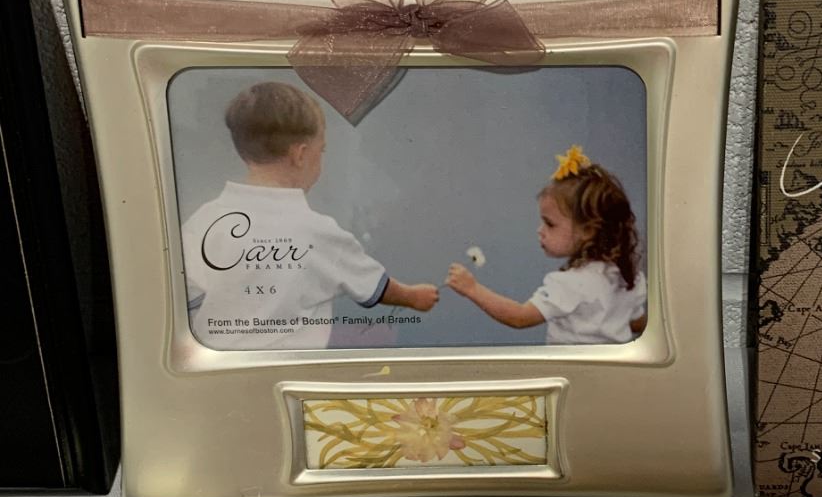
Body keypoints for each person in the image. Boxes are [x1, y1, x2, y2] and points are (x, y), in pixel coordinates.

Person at [180, 79, 439, 348]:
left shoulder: (204, 222)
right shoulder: (318, 233)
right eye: (322, 150)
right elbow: (375, 285)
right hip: (292, 367)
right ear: (301, 155)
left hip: (216, 366)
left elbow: (183, 295)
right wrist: (413, 296)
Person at [445, 148, 646, 345]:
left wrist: (472, 288)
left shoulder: (570, 284)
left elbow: (520, 317)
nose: (540, 231)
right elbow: (636, 323)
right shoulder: (629, 276)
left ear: (587, 230)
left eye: (550, 224)